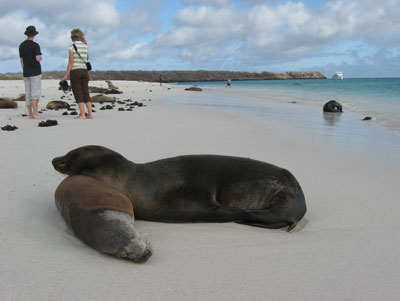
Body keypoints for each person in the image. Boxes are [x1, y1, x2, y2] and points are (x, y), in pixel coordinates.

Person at [61, 28, 93, 119]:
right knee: (85, 91)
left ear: (72, 37)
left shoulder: (72, 46)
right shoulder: (85, 46)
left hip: (76, 71)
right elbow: (87, 58)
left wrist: (66, 75)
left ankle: (82, 114)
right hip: (84, 71)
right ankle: (90, 114)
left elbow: (71, 62)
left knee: (78, 92)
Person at [19, 25, 44, 120]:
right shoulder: (35, 45)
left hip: (26, 72)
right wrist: (41, 57)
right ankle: (36, 114)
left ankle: (30, 114)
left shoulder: (21, 45)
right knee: (35, 94)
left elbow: (22, 60)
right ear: (34, 34)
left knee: (28, 93)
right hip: (35, 72)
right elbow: (38, 58)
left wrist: (24, 69)